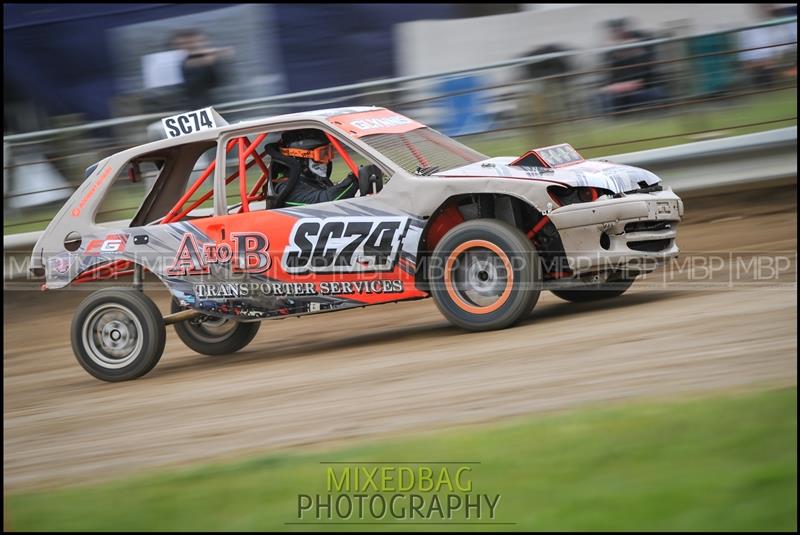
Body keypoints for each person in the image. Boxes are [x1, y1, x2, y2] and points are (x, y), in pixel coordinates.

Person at [272, 130, 360, 205]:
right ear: (299, 159)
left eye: (329, 153)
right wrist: (355, 179)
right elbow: (325, 201)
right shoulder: (285, 188)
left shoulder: (315, 181)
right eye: (322, 154)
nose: (327, 161)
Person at [598, 18, 666, 113]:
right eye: (614, 31)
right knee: (602, 98)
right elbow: (608, 81)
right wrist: (611, 87)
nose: (617, 33)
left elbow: (646, 73)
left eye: (619, 30)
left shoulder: (641, 40)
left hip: (644, 87)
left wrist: (624, 44)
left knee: (655, 94)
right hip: (621, 92)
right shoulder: (610, 53)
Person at [171, 29, 233, 109]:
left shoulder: (218, 60)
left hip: (222, 108)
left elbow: (223, 83)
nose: (189, 46)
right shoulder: (178, 63)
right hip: (192, 110)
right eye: (182, 44)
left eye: (192, 43)